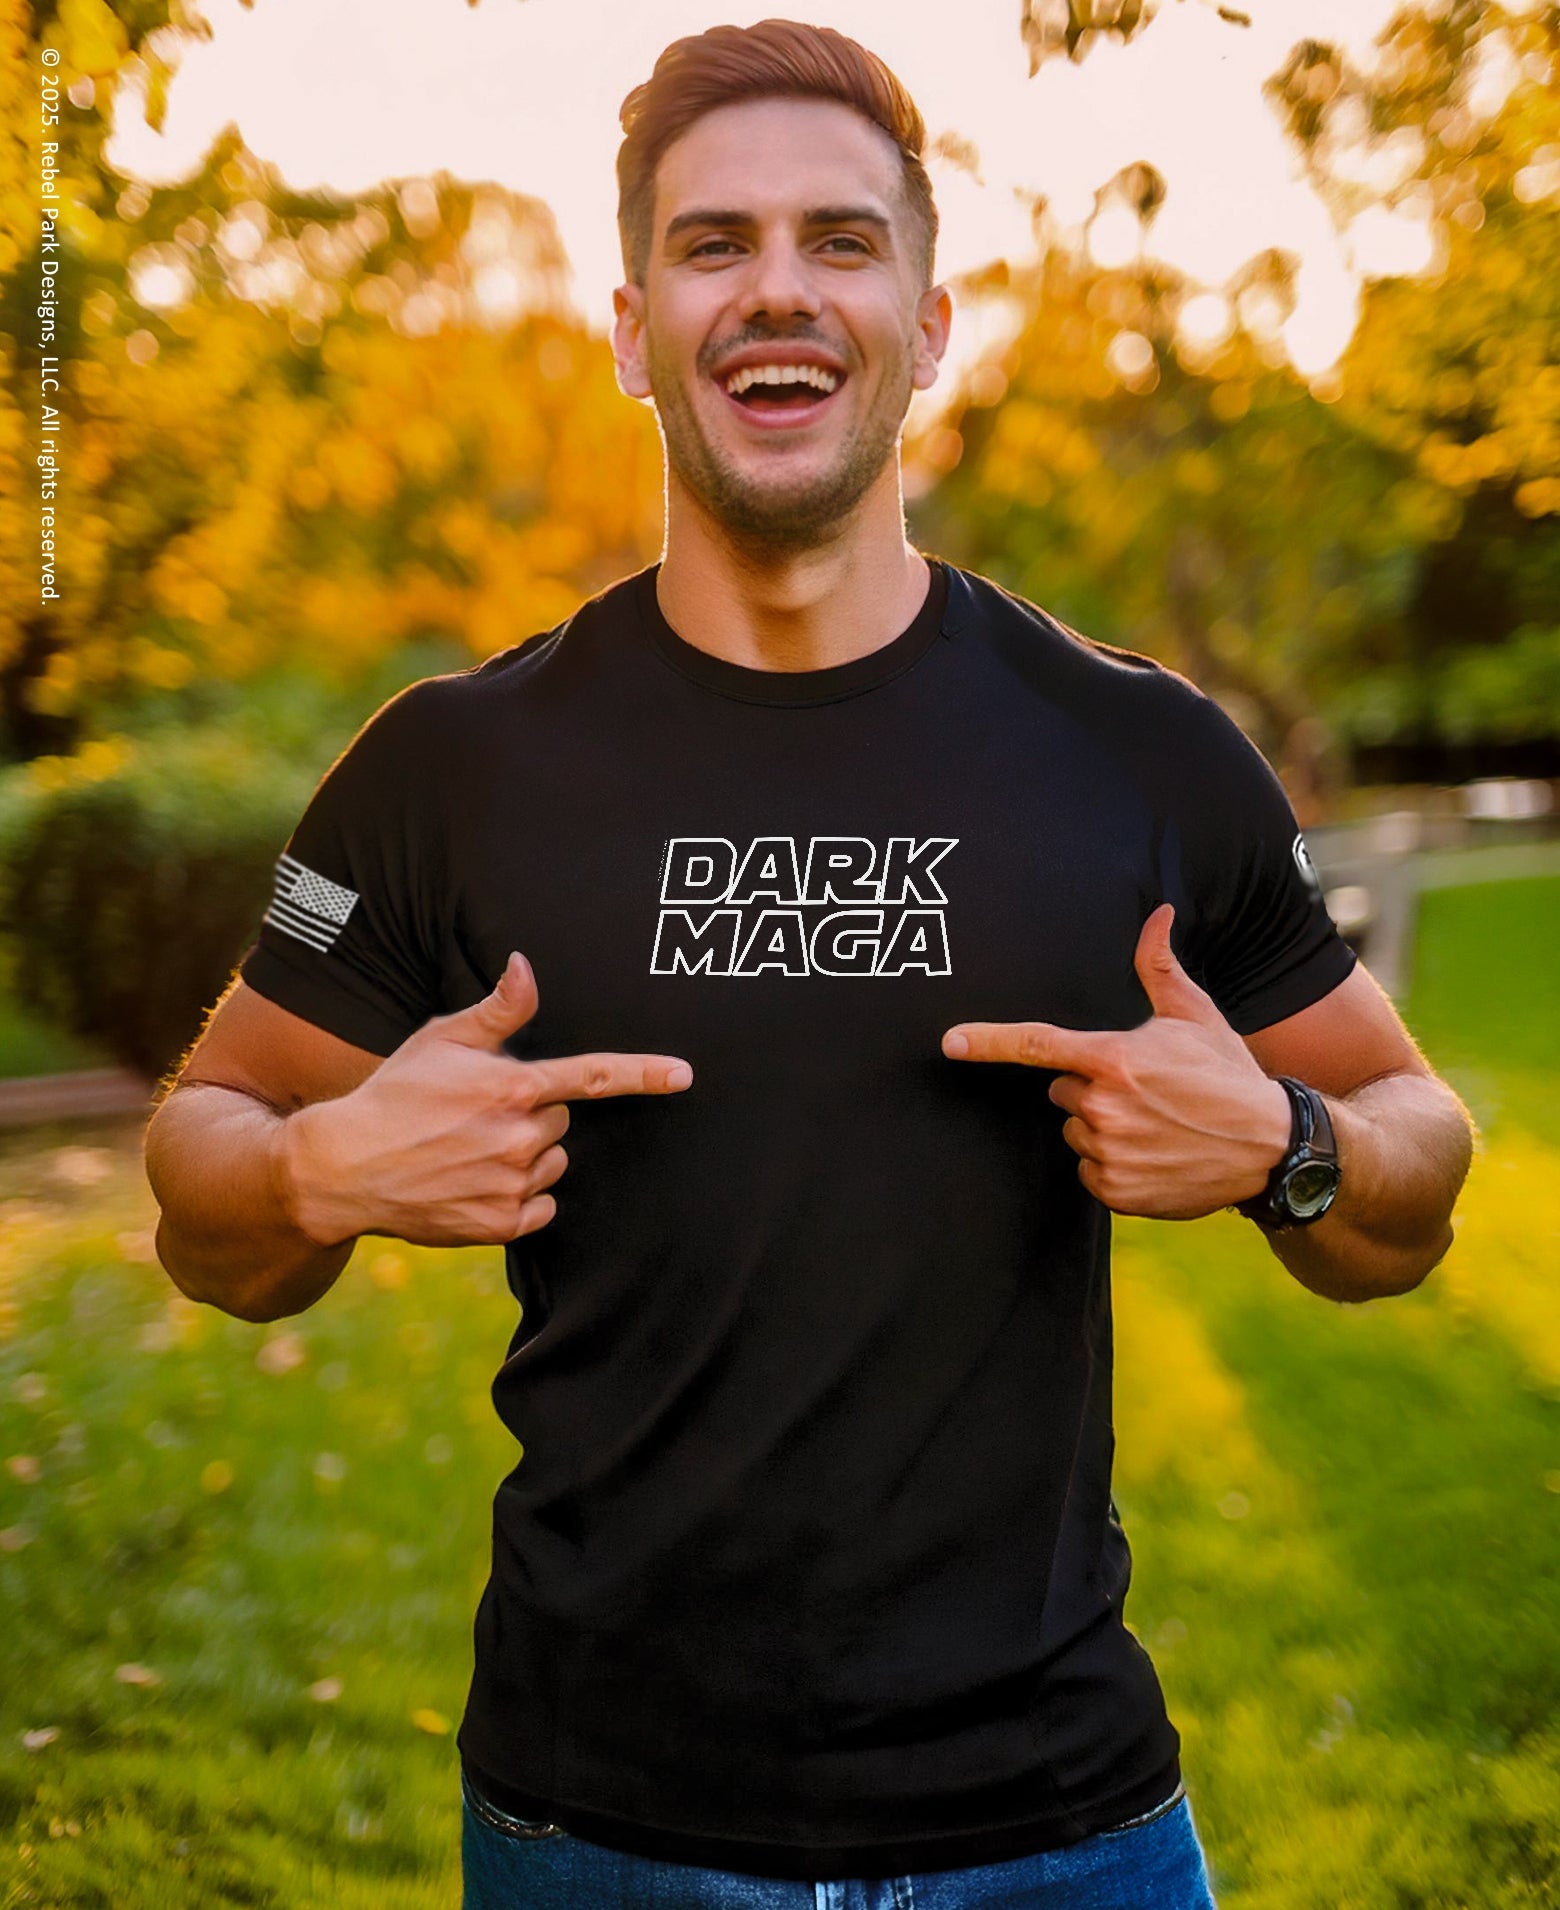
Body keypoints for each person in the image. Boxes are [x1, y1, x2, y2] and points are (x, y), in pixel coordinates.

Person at [143, 19, 1476, 1909]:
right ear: (632, 332)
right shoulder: (449, 767)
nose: (780, 288)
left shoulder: (1141, 751)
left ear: (930, 329)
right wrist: (310, 1170)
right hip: (598, 1835)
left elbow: (1415, 1154)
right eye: (716, 243)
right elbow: (201, 1167)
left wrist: (1286, 1143)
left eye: (842, 240)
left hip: (1062, 1834)